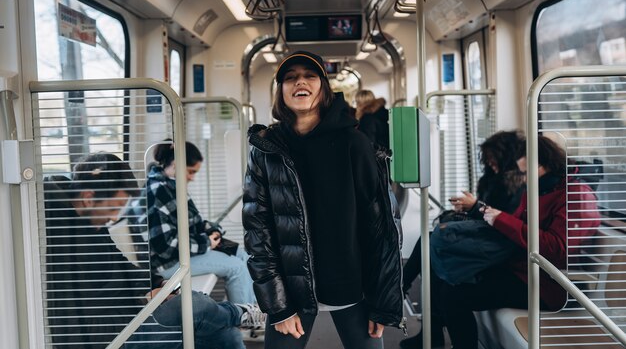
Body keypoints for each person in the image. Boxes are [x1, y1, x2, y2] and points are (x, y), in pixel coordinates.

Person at [242, 51, 404, 349]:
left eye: (310, 75)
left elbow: (381, 226)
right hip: (293, 289)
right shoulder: (266, 150)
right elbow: (258, 231)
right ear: (281, 92)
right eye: (290, 77)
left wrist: (384, 301)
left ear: (323, 88)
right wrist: (278, 305)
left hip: (353, 284)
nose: (300, 81)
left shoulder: (354, 143)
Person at [44, 152, 264, 349]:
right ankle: (239, 313)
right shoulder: (65, 240)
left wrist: (156, 284)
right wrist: (141, 310)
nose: (113, 217)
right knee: (195, 306)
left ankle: (236, 316)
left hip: (133, 316)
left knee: (218, 328)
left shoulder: (91, 222)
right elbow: (81, 323)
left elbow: (120, 263)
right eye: (112, 208)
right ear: (88, 198)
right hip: (119, 336)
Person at [437, 136, 600, 349]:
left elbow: (558, 250)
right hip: (524, 271)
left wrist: (497, 217)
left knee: (455, 296)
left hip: (549, 285)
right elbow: (517, 227)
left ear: (544, 165)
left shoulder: (576, 196)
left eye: (525, 172)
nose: (522, 179)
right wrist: (485, 214)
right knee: (451, 277)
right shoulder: (539, 190)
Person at [400, 130, 526, 348]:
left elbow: (504, 223)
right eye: (488, 160)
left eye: (493, 159)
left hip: (501, 249)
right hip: (491, 240)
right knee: (431, 248)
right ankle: (428, 328)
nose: (491, 164)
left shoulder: (518, 186)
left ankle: (404, 293)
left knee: (433, 250)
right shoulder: (494, 180)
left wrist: (475, 208)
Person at [144, 141, 256, 305]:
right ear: (176, 165)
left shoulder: (172, 186)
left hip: (184, 253)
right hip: (167, 264)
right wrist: (205, 243)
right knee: (236, 268)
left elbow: (192, 222)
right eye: (190, 172)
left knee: (245, 256)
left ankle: (253, 308)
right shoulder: (157, 191)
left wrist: (210, 230)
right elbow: (164, 247)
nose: (192, 178)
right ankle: (244, 317)